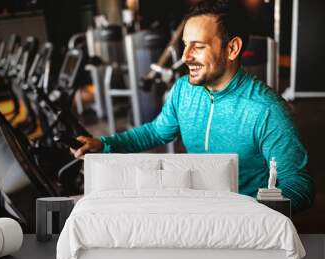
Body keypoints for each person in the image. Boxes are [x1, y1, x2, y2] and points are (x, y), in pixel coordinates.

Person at [71, 0, 313, 212]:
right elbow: (156, 131)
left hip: (241, 224)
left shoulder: (266, 110)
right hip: (193, 209)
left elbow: (298, 184)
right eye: (185, 44)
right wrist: (104, 144)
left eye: (198, 46)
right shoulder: (183, 90)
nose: (185, 56)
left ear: (232, 48)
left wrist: (252, 213)